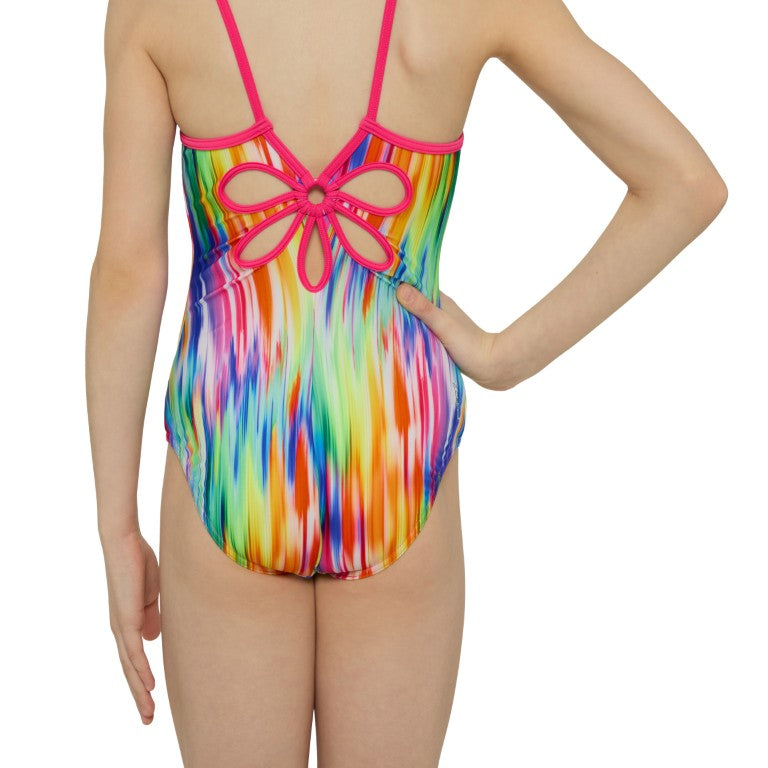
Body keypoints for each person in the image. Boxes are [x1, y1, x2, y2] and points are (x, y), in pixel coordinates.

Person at [85, 0, 727, 764]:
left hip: (233, 453)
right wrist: (503, 356)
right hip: (394, 451)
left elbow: (130, 273)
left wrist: (116, 528)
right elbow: (685, 182)